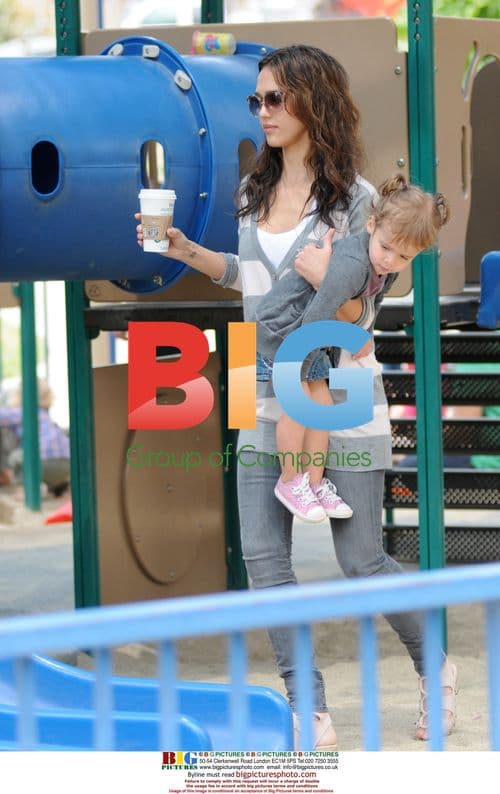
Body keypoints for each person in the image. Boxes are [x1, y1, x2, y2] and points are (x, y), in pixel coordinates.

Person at [135, 44, 457, 747]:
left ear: (315, 101)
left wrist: (323, 275)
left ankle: (434, 666)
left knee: (361, 558)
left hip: (333, 373)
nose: (263, 112)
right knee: (263, 553)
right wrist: (188, 251)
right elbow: (249, 280)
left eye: (274, 98)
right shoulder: (251, 194)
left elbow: (366, 310)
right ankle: (307, 706)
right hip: (258, 368)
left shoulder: (362, 204)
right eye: (258, 100)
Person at [255, 175, 450, 524]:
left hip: (310, 330)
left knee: (324, 405)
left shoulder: (384, 267)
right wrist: (298, 365)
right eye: (386, 247)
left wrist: (364, 332)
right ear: (372, 224)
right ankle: (289, 481)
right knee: (299, 405)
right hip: (283, 328)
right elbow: (318, 311)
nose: (390, 260)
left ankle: (314, 484)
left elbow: (373, 301)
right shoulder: (352, 265)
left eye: (404, 256)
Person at [0, 379, 70, 496]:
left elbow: (2, 417)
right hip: (67, 465)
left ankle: (24, 490)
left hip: (41, 462)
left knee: (15, 457)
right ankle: (59, 486)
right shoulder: (45, 414)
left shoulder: (24, 412)